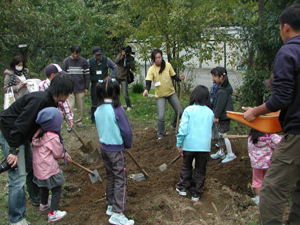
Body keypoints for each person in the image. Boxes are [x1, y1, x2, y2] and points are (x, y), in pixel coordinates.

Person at [243, 4, 300, 224]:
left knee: (272, 189)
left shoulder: (288, 50)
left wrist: (256, 111)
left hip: (296, 135)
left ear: (285, 27)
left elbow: (283, 97)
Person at [0, 73, 74, 225]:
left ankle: (38, 200)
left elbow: (49, 129)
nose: (68, 96)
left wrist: (62, 149)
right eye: (67, 92)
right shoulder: (39, 100)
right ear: (60, 91)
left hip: (22, 136)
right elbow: (20, 124)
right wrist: (13, 150)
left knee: (31, 167)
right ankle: (17, 219)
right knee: (17, 178)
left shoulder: (51, 104)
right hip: (10, 132)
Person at [94, 78, 134, 225]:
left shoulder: (98, 109)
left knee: (111, 176)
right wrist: (127, 144)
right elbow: (126, 131)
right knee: (121, 179)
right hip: (116, 150)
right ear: (116, 91)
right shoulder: (117, 109)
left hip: (104, 148)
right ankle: (118, 212)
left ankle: (110, 204)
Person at [32, 107, 72, 222]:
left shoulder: (38, 133)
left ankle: (43, 203)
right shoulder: (52, 137)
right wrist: (64, 155)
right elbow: (58, 152)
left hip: (39, 168)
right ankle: (53, 213)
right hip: (49, 168)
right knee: (57, 189)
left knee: (43, 186)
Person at [175, 85, 214, 202]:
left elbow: (183, 129)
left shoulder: (188, 110)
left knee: (186, 166)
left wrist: (179, 142)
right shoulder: (210, 113)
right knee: (200, 170)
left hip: (189, 145)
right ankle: (196, 193)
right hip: (204, 147)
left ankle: (182, 188)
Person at [142, 49, 185, 140]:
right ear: (153, 59)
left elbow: (174, 76)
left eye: (159, 57)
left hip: (171, 93)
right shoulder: (152, 69)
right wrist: (146, 90)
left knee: (180, 111)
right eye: (156, 58)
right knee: (161, 117)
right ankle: (161, 135)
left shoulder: (168, 65)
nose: (158, 59)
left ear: (161, 57)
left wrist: (179, 78)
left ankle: (173, 124)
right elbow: (148, 83)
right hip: (160, 95)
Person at [247, 128, 282, 205]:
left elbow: (249, 149)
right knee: (268, 179)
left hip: (256, 164)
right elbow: (280, 143)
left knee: (257, 180)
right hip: (268, 163)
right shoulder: (270, 136)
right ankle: (268, 196)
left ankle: (258, 198)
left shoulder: (251, 138)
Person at [210, 67, 236, 163]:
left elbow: (220, 105)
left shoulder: (222, 91)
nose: (214, 79)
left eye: (215, 77)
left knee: (224, 135)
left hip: (223, 117)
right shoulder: (222, 88)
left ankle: (230, 154)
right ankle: (221, 151)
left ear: (221, 77)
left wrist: (216, 116)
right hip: (222, 116)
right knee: (220, 135)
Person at [39, 64, 74, 131]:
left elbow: (65, 104)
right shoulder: (41, 86)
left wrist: (70, 119)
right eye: (58, 74)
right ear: (52, 75)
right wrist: (55, 112)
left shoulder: (60, 86)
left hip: (57, 120)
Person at [88, 46, 118, 124]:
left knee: (104, 99)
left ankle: (105, 116)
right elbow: (86, 72)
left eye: (100, 55)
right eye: (97, 55)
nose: (98, 56)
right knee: (94, 101)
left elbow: (115, 67)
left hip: (104, 84)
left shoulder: (106, 60)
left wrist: (110, 77)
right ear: (93, 54)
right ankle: (93, 119)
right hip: (95, 83)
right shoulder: (89, 62)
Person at [63, 44, 90, 128]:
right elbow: (63, 75)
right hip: (69, 88)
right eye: (73, 53)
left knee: (80, 106)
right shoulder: (66, 61)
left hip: (80, 87)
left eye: (76, 54)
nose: (75, 55)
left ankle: (79, 122)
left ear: (79, 53)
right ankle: (69, 124)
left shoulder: (83, 61)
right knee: (69, 106)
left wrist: (86, 87)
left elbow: (87, 75)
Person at [115, 46, 135, 111]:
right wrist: (122, 56)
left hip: (124, 77)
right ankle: (117, 105)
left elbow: (133, 67)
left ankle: (128, 105)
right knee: (115, 92)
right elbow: (116, 61)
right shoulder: (119, 55)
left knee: (125, 93)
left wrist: (128, 59)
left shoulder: (130, 58)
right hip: (117, 76)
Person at [210, 68, 219, 142]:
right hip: (213, 105)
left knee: (215, 122)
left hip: (215, 106)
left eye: (213, 77)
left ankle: (215, 136)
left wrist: (211, 104)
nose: (213, 78)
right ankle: (214, 136)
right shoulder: (215, 85)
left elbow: (214, 98)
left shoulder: (217, 87)